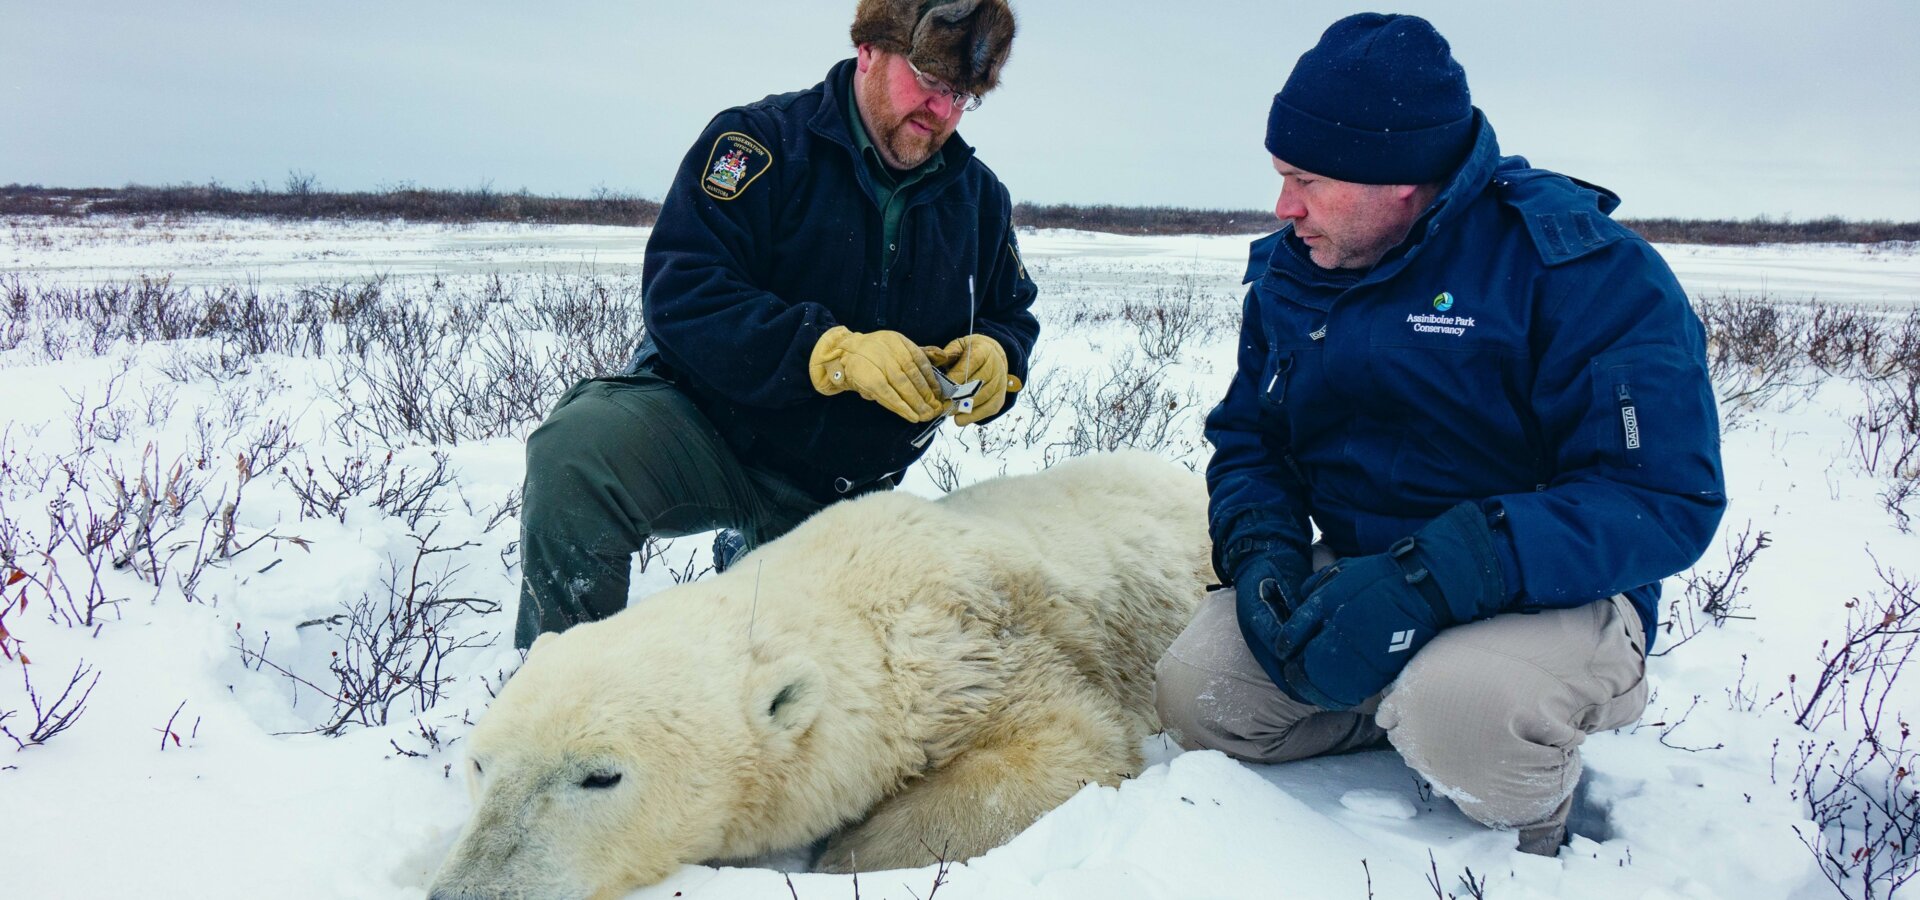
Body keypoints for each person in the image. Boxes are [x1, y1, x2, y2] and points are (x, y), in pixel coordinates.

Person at [1153, 13, 1726, 856]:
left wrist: (1438, 577)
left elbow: (1662, 498)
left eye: (1306, 178)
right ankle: (1397, 704)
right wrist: (1264, 557)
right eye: (1281, 176)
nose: (1284, 208)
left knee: (1461, 716)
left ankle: (1515, 793)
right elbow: (1251, 438)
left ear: (1399, 176)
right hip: (1364, 577)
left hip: (1553, 595)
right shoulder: (1294, 270)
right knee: (1200, 692)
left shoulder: (1583, 272)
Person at [514, 0, 1037, 649]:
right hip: (715, 433)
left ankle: (759, 561)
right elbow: (685, 287)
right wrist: (827, 353)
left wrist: (998, 355)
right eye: (929, 82)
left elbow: (1011, 313)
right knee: (577, 453)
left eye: (963, 96)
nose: (942, 113)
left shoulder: (979, 199)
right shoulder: (760, 144)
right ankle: (560, 695)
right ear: (868, 51)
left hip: (845, 490)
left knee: (834, 671)